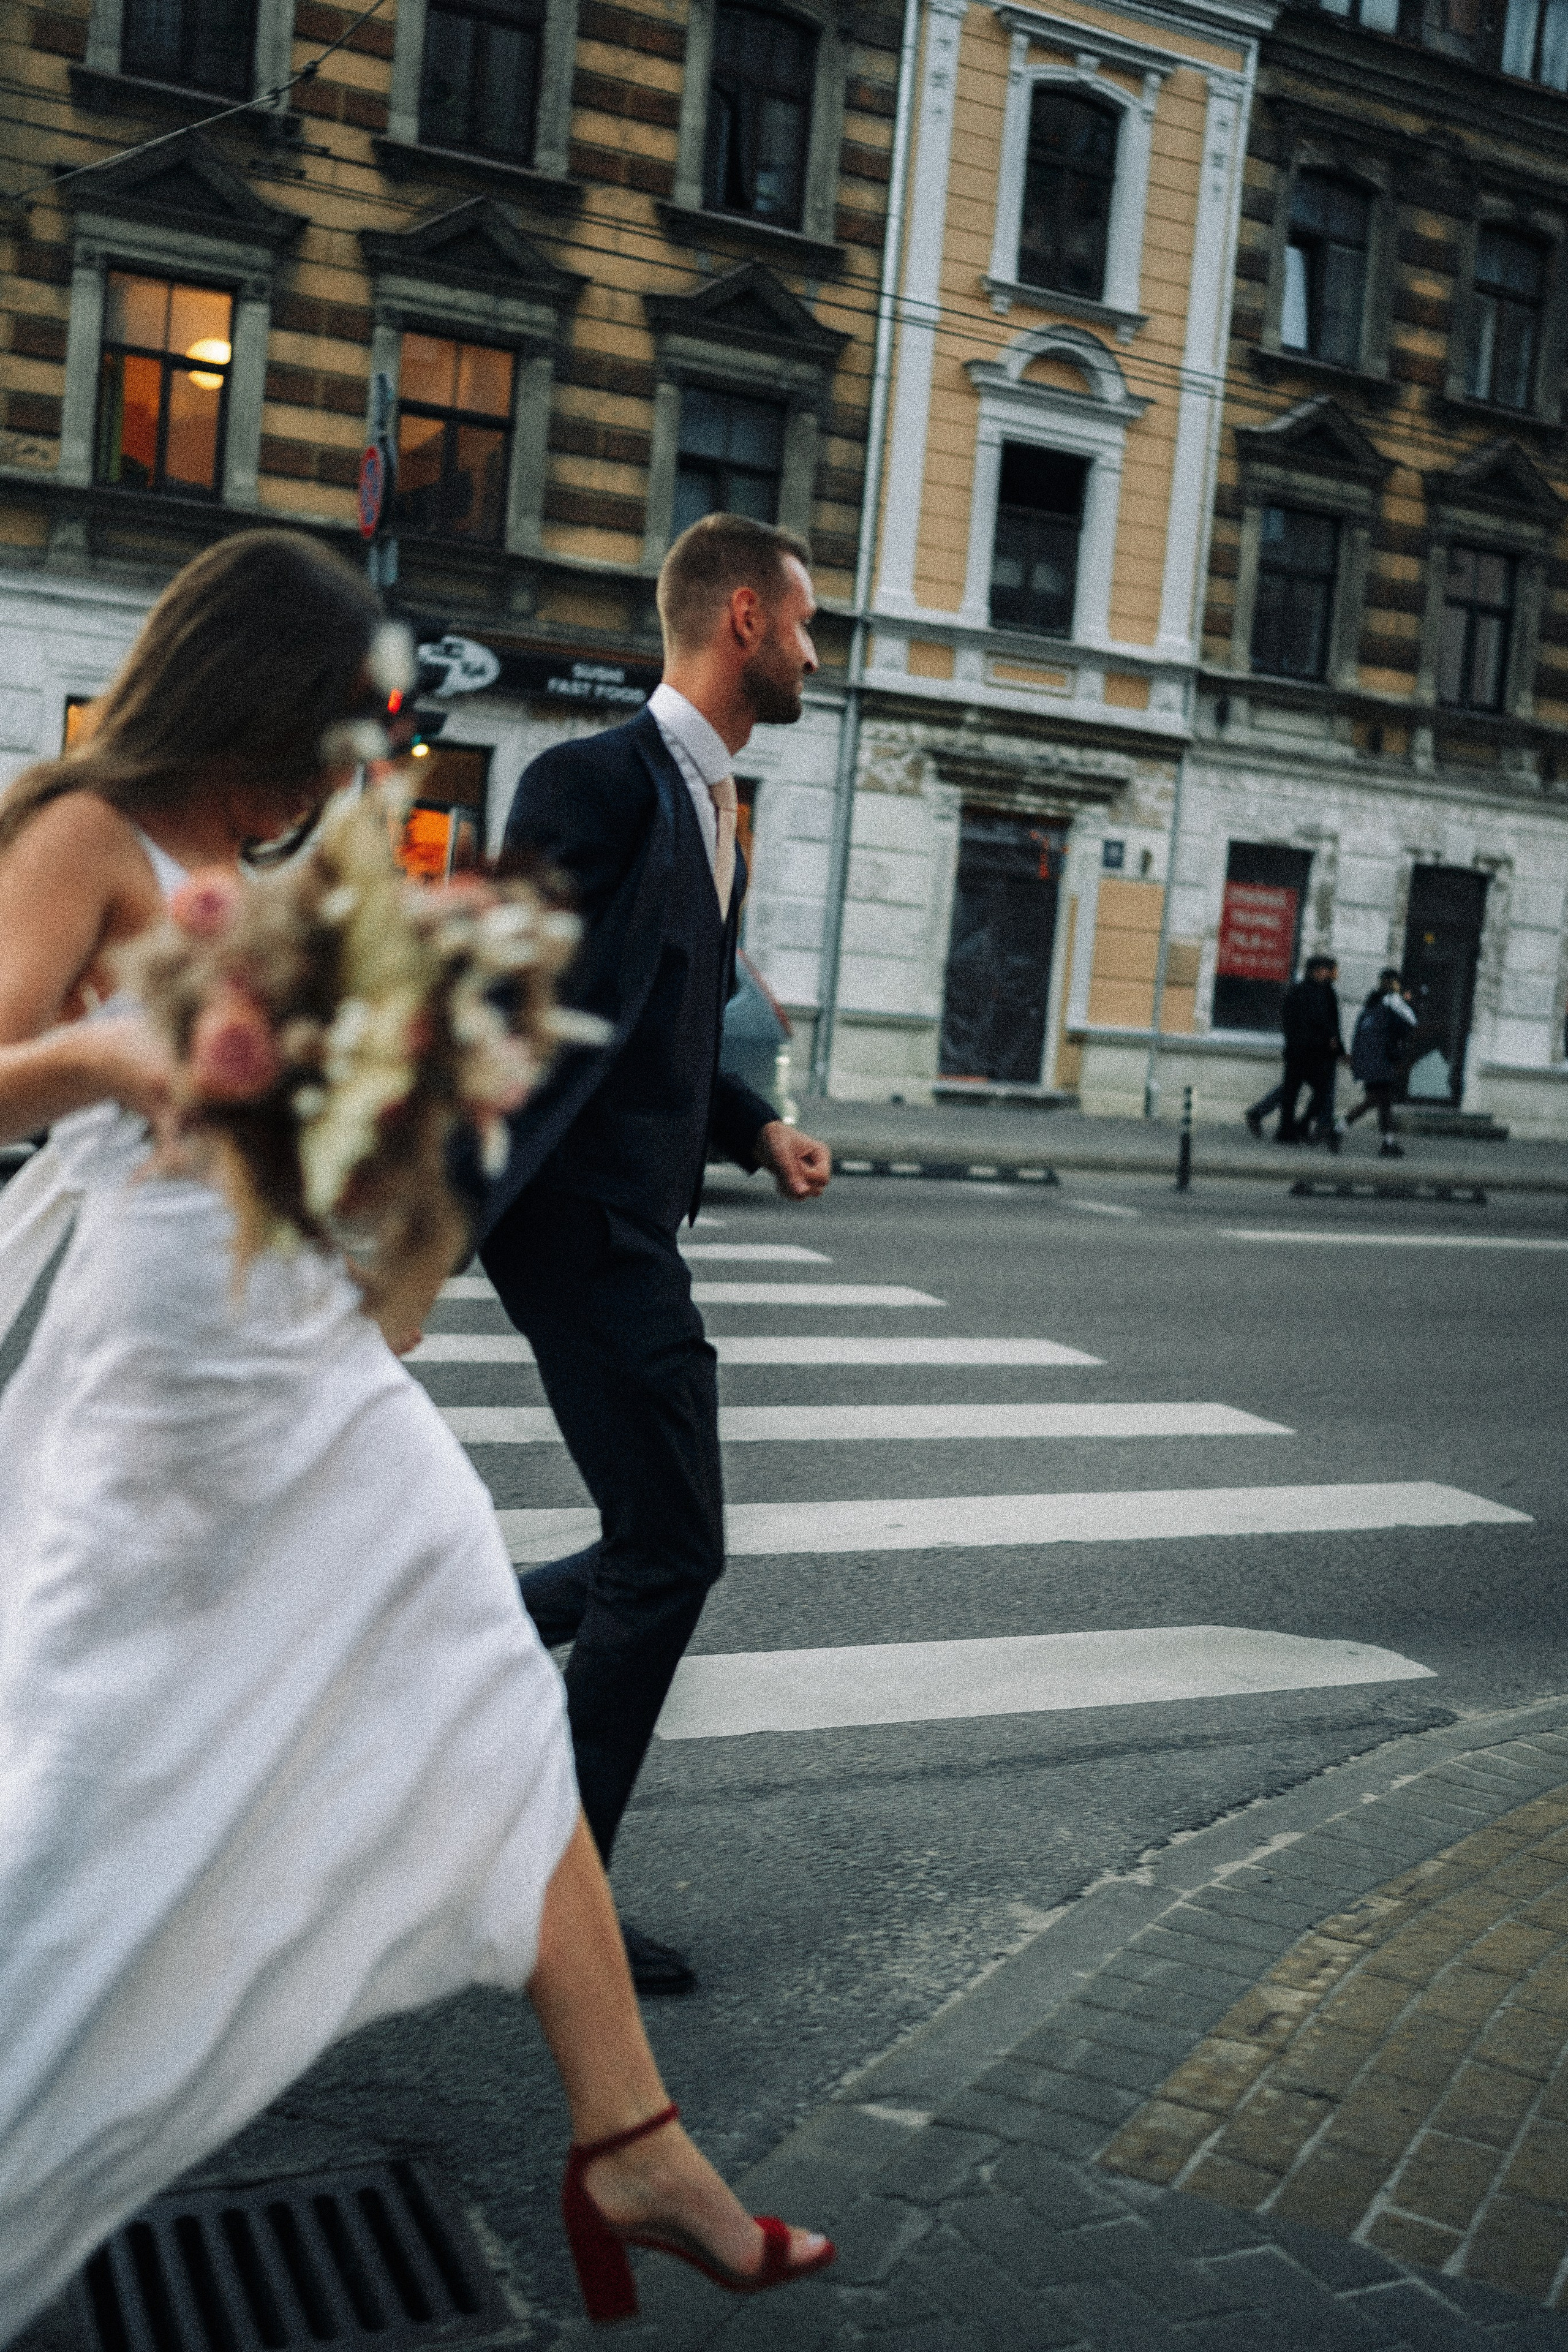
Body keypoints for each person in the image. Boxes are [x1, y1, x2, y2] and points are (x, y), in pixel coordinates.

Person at [0, 531, 831, 2342]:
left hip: (285, 1330)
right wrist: (118, 1063)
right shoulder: (87, 829)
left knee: (474, 1666)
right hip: (172, 1364)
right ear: (243, 696)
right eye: (324, 728)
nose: (332, 775)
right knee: (92, 1767)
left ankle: (634, 2139)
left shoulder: (248, 854)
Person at [478, 513, 832, 1997]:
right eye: (811, 626)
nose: (820, 656)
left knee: (655, 1543)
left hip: (630, 1222)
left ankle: (445, 1623)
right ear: (743, 617)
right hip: (576, 1226)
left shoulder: (717, 805)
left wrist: (751, 1125)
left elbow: (661, 1011)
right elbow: (501, 1000)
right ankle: (549, 1900)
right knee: (673, 1545)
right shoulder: (593, 779)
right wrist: (404, 1247)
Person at [1246, 952, 1344, 1145]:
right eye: (1329, 970)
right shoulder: (1309, 992)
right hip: (1308, 1052)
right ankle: (1295, 1128)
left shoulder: (1317, 991)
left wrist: (1336, 1048)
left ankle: (1287, 1128)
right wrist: (1329, 1044)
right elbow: (1315, 1023)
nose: (1334, 973)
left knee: (1293, 1090)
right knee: (1312, 1090)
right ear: (1319, 971)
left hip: (1309, 1051)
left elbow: (1329, 1025)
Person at [1344, 965, 1418, 1157]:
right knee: (1374, 1101)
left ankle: (1388, 1143)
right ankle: (1337, 1129)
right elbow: (1410, 1024)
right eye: (1396, 982)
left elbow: (1362, 1032)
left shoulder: (1372, 1002)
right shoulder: (1391, 1002)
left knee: (1384, 1104)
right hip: (1383, 1060)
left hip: (1371, 1059)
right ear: (1394, 983)